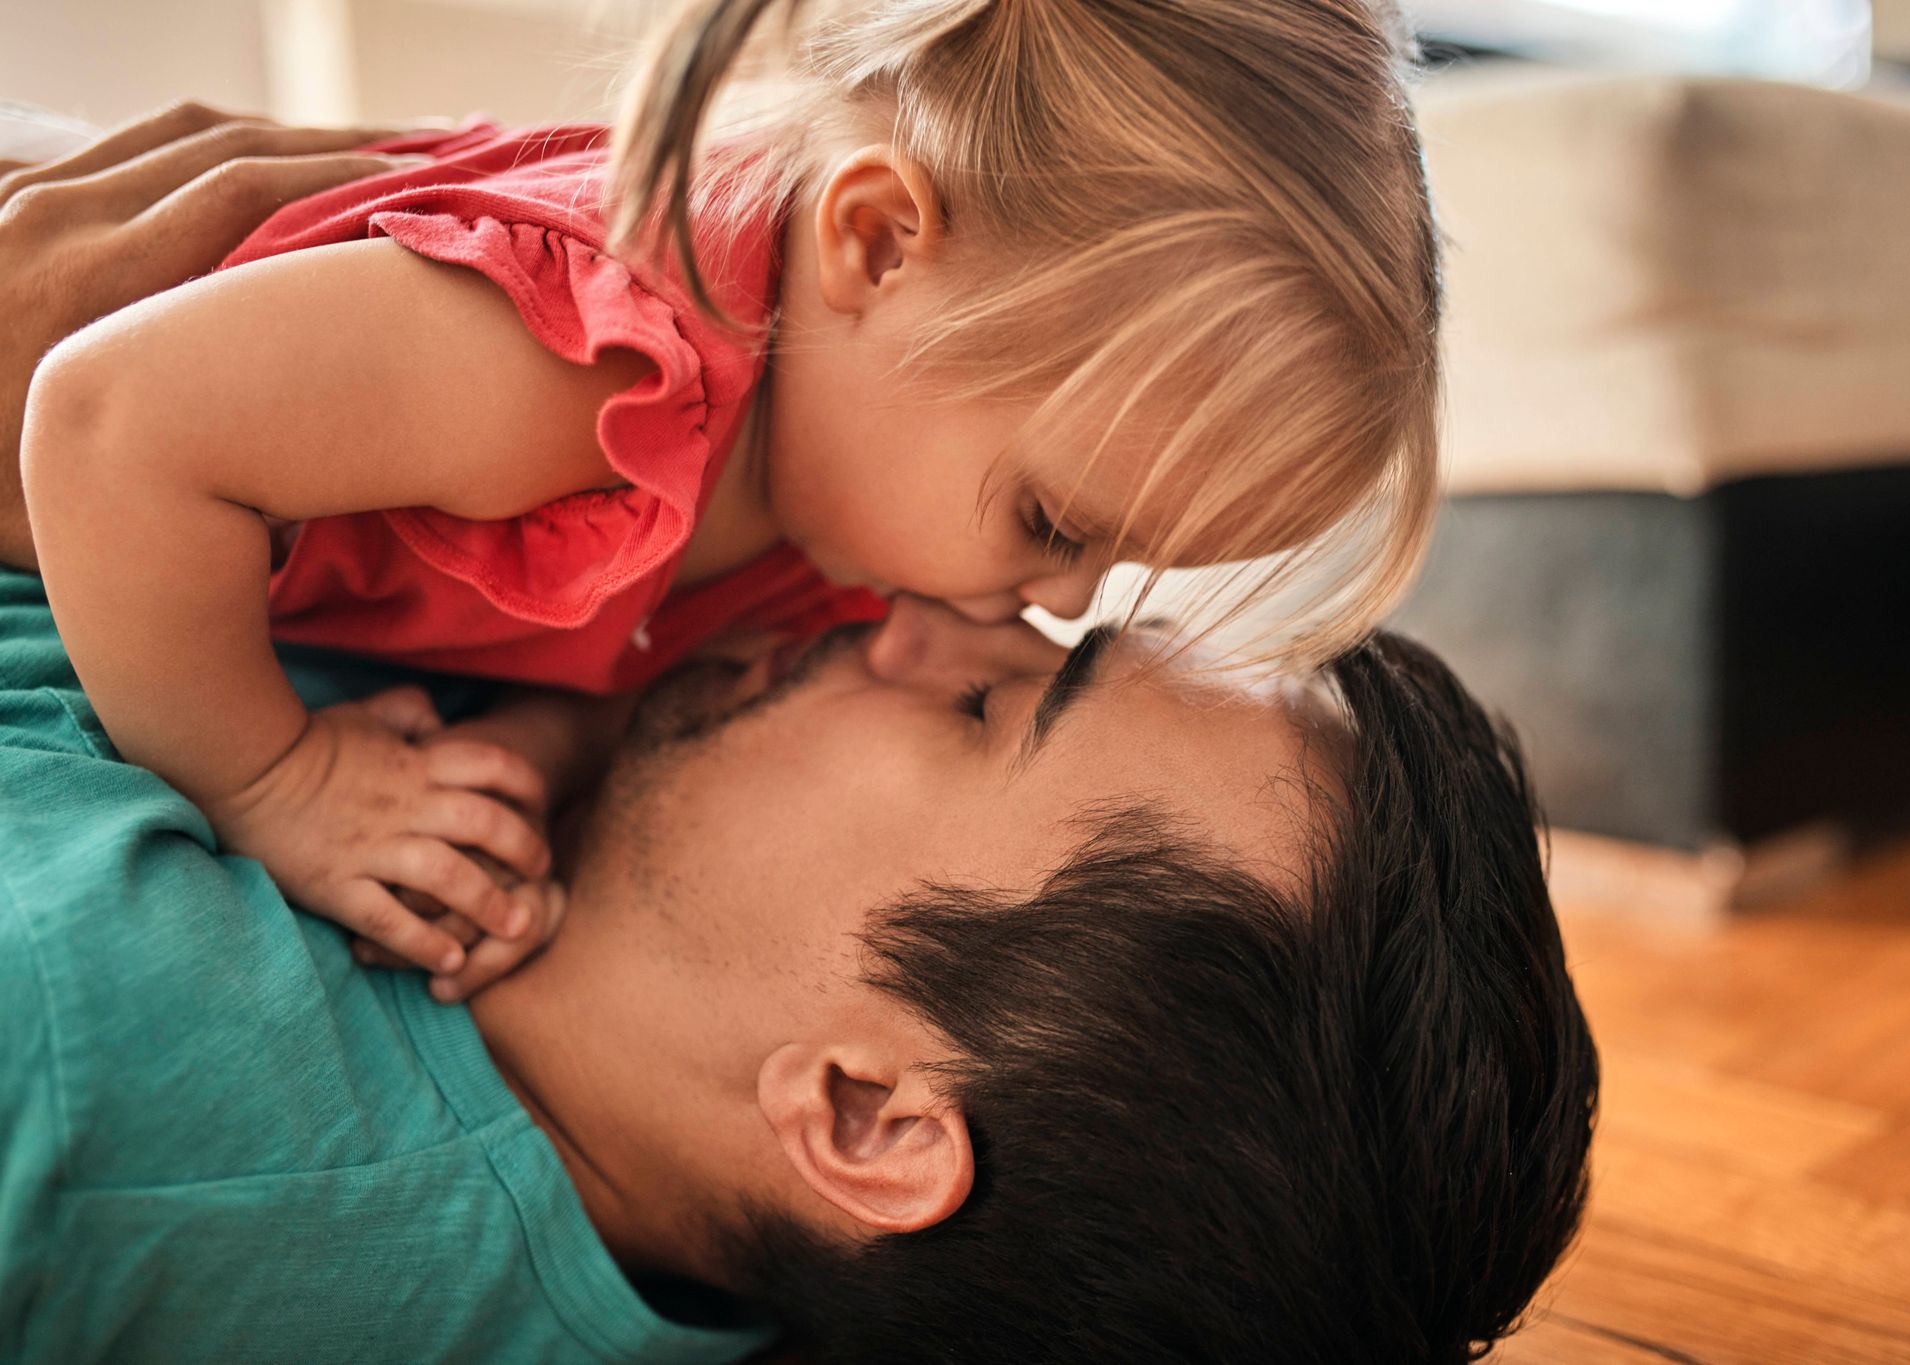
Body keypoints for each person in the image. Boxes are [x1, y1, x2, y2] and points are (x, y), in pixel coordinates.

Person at [1, 111, 1593, 1364]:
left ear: (862, 1115)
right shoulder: (788, 1215)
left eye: (989, 706)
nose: (911, 606)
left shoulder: (75, 1051)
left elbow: (108, 410)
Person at [18, 0, 1446, 995]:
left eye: (1125, 562)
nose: (1061, 601)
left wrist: (531, 753)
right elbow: (104, 427)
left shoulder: (857, 490)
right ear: (878, 244)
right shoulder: (593, 358)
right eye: (1059, 523)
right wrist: (281, 780)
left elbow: (637, 657)